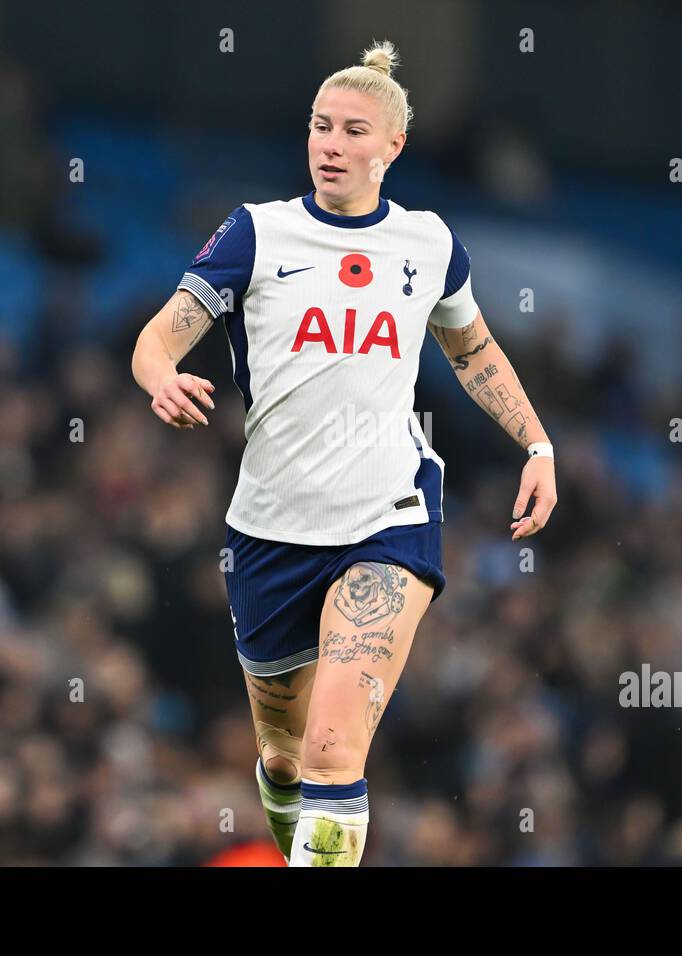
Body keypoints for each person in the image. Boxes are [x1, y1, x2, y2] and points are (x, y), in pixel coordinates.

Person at [131, 40, 557, 866]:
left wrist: (536, 443)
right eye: (321, 127)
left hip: (387, 518)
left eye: (353, 130)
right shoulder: (257, 233)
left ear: (391, 148)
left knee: (333, 749)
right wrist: (159, 379)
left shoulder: (429, 244)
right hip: (270, 528)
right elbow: (158, 339)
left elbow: (472, 353)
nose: (330, 143)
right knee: (287, 761)